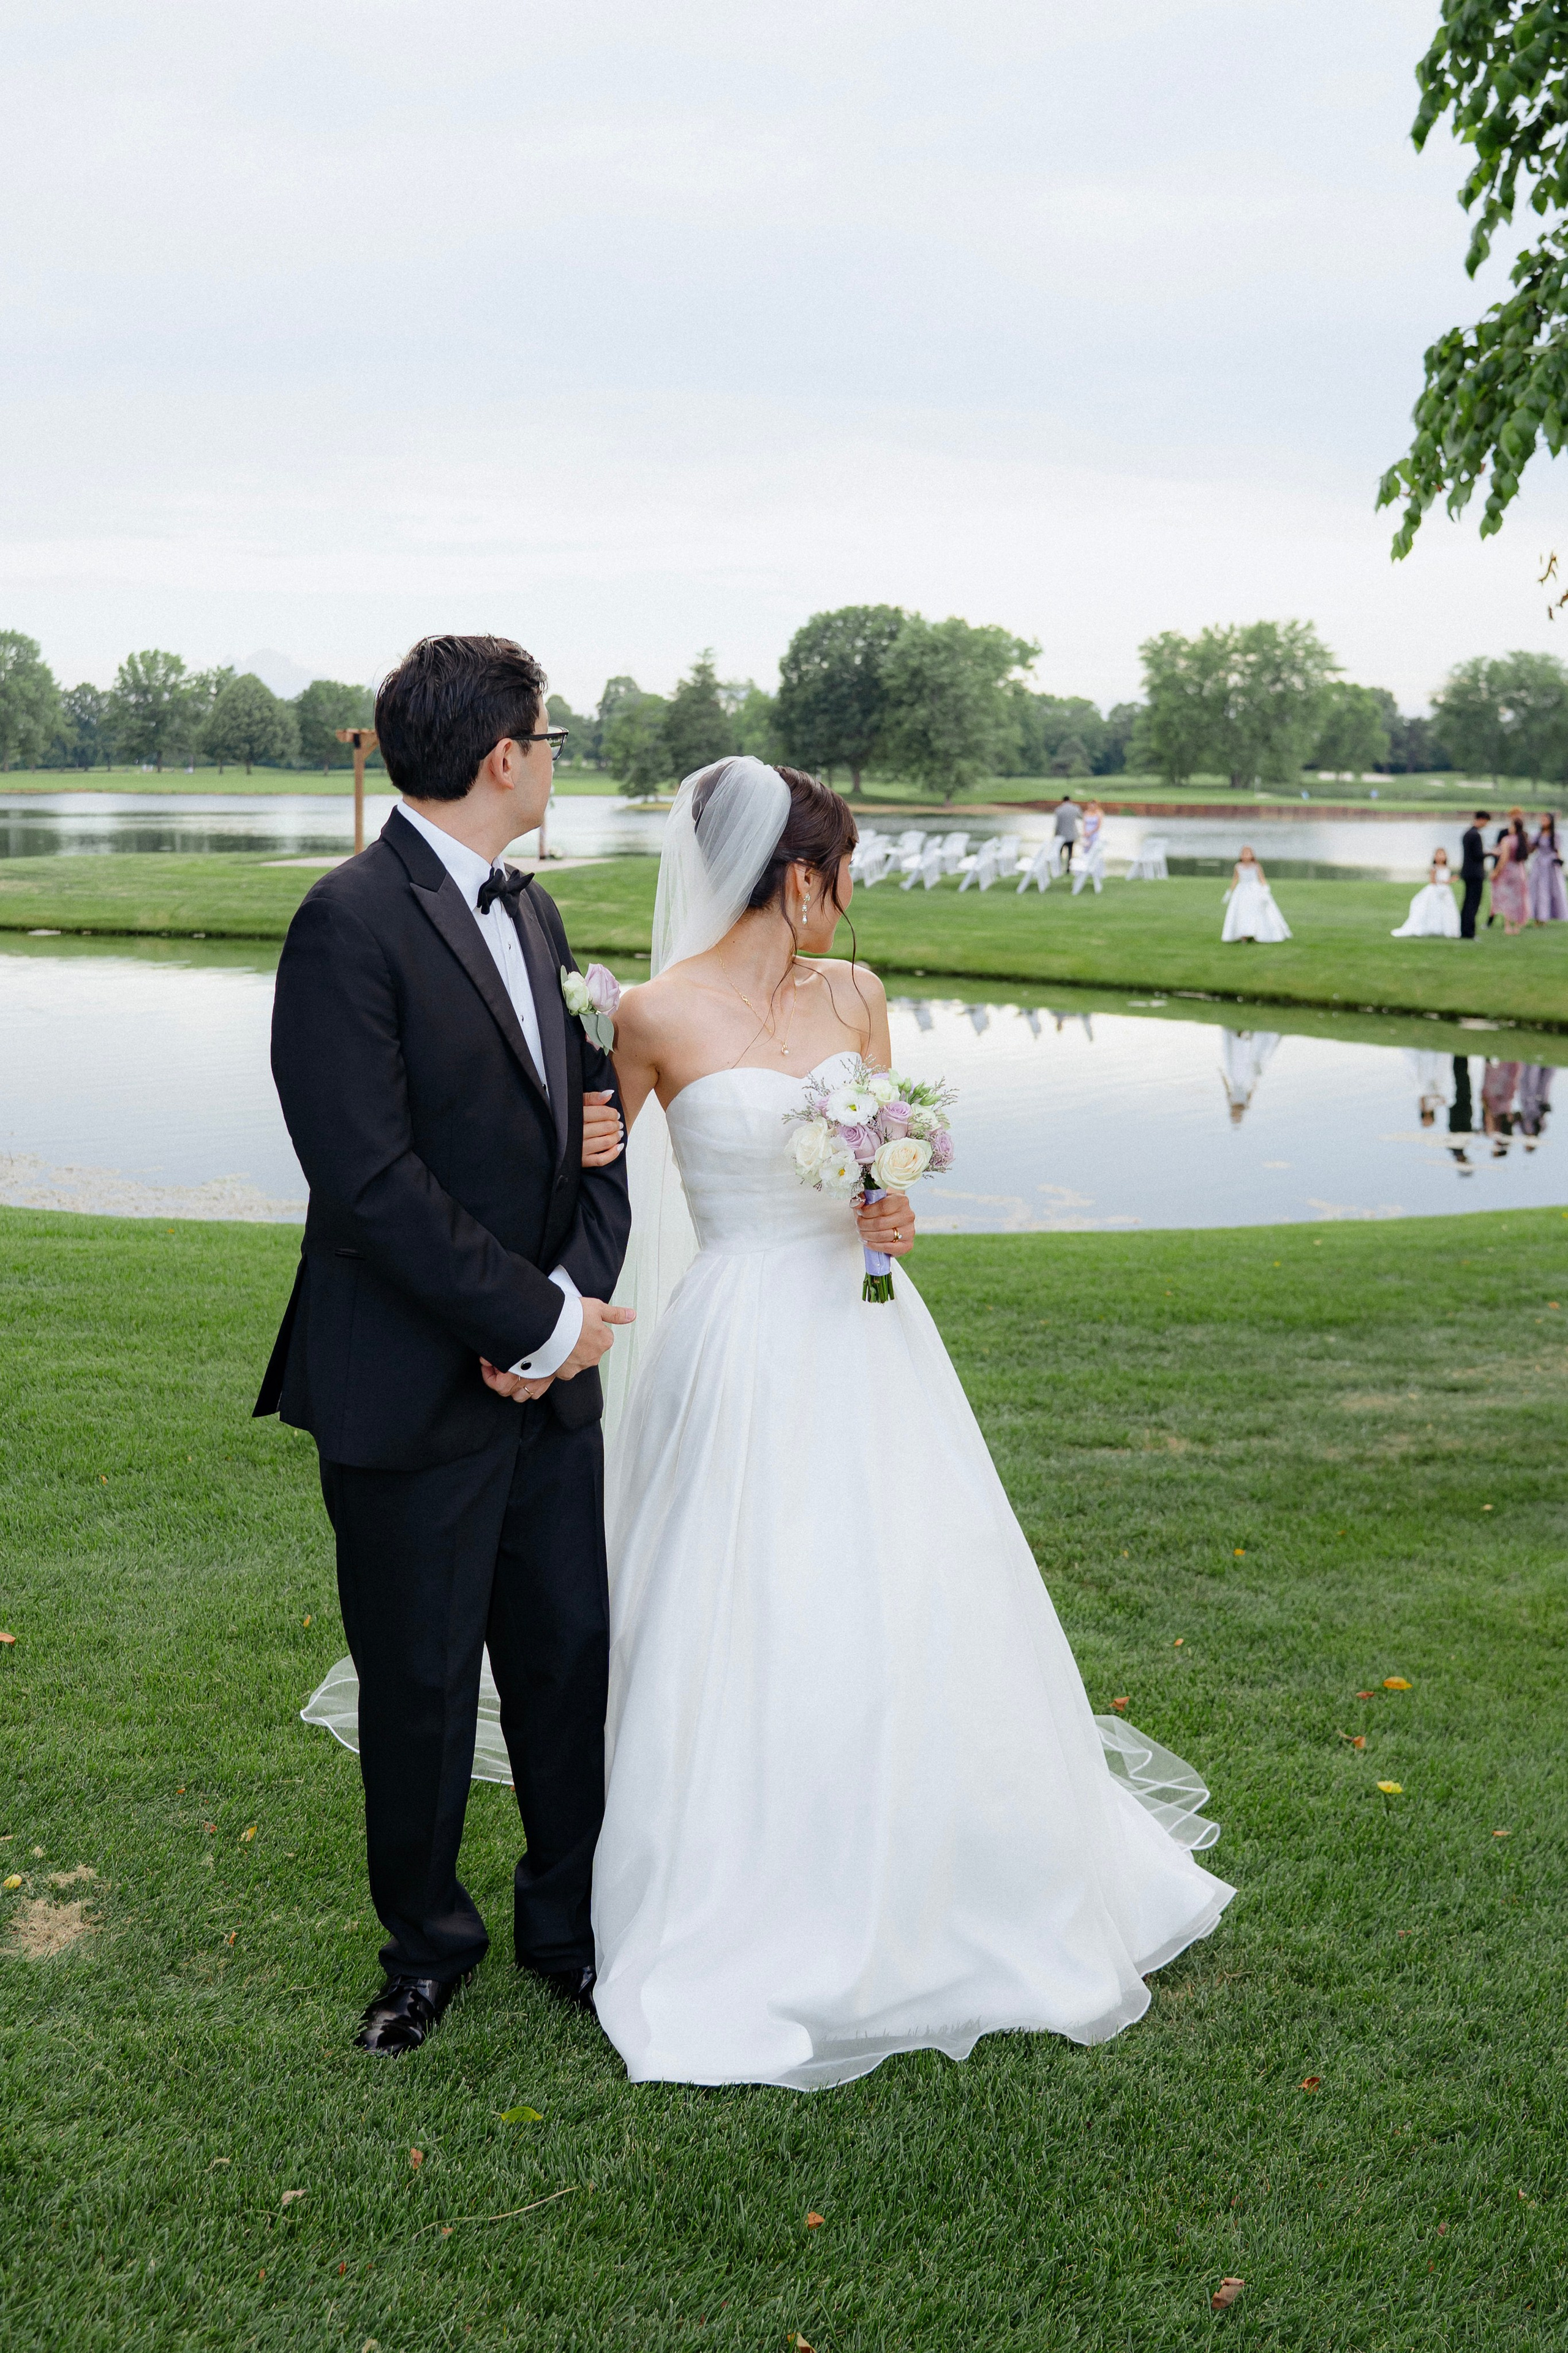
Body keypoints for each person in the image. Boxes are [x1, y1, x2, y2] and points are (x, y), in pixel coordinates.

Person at [592, 758, 1233, 2090]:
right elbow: (592, 1181)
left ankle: (951, 1850)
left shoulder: (856, 995)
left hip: (866, 1327)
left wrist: (891, 1205)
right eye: (842, 875)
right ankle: (747, 1871)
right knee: (751, 1591)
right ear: (796, 877)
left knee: (909, 1580)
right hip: (738, 1336)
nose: (848, 900)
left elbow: (879, 1166)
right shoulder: (652, 1014)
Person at [258, 635, 634, 2057]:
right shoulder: (346, 921)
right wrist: (529, 1321)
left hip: (545, 1391)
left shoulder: (538, 914)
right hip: (407, 1386)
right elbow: (368, 1180)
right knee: (417, 1684)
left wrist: (568, 1313)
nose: (553, 762)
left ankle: (567, 1928)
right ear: (502, 755)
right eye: (549, 739)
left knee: (565, 1660)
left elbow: (595, 1134)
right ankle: (424, 1948)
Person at [1221, 847, 1291, 942]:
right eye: (1244, 854)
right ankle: (1244, 934)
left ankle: (1256, 933)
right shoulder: (1238, 866)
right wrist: (1229, 892)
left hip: (1255, 890)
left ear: (1252, 855)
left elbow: (1262, 878)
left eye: (1248, 853)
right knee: (1243, 912)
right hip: (1242, 892)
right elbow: (1235, 879)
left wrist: (1266, 889)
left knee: (1256, 911)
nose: (1246, 856)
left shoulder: (1256, 866)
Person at [1390, 848, 1461, 938]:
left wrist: (1449, 881)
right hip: (1435, 891)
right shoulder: (1434, 868)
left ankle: (1446, 929)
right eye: (1438, 854)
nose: (1441, 857)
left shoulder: (1447, 868)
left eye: (1443, 854)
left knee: (1447, 910)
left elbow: (1446, 879)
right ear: (1435, 857)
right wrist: (1445, 883)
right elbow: (1433, 881)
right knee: (1432, 909)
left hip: (1446, 892)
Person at [1490, 814, 1531, 936]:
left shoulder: (1507, 840)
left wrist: (1496, 872)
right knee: (1519, 899)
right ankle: (1517, 927)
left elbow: (1504, 859)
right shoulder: (1523, 840)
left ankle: (1508, 926)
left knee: (1508, 898)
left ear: (1514, 827)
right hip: (1520, 871)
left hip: (1508, 871)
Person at [1528, 812, 1567, 922]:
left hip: (1550, 866)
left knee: (1550, 890)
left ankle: (1547, 916)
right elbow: (1531, 850)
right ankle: (1537, 916)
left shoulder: (1555, 835)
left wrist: (1559, 863)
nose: (1543, 821)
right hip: (1539, 865)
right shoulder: (1538, 835)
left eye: (1545, 819)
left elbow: (1557, 851)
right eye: (1542, 819)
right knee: (1537, 889)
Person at [1458, 810, 1490, 940]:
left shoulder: (1467, 833)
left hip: (1467, 872)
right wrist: (1491, 853)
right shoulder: (1476, 835)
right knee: (1473, 903)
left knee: (1467, 902)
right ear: (1481, 819)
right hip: (1475, 874)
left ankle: (1465, 930)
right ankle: (1469, 932)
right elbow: (1478, 855)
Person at [1071, 799, 1106, 895]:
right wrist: (1085, 833)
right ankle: (1083, 870)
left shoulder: (1099, 813)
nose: (1091, 806)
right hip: (1086, 834)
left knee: (1095, 853)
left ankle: (1095, 870)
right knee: (1085, 852)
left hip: (1094, 835)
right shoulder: (1086, 813)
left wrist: (1091, 833)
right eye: (1090, 805)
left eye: (1093, 805)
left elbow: (1099, 826)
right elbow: (1084, 824)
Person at [1052, 791, 1081, 878]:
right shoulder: (1075, 808)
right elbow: (1081, 817)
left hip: (1061, 835)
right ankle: (1068, 869)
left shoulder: (1059, 810)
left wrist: (1055, 835)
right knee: (1070, 853)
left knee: (1059, 852)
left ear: (1063, 801)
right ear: (1070, 800)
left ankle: (1059, 867)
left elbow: (1057, 824)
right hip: (1072, 834)